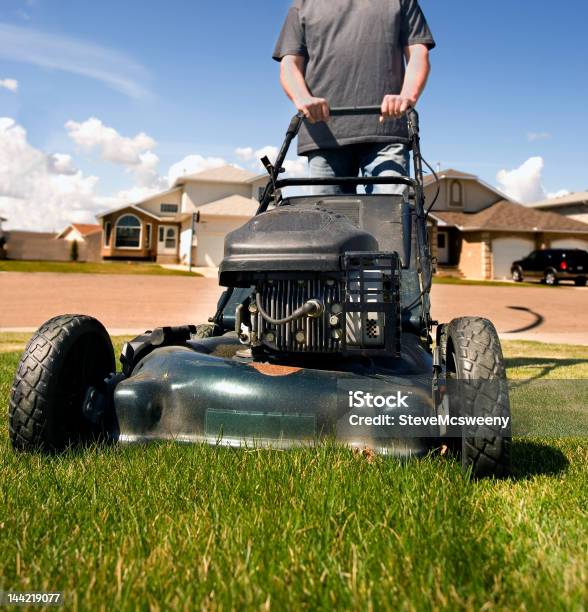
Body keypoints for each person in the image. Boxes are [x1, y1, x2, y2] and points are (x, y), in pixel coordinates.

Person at [273, 0, 435, 196]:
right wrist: (302, 98)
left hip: (386, 130)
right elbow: (290, 63)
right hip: (324, 133)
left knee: (391, 216)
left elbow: (418, 52)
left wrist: (407, 96)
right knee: (327, 221)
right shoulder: (302, 5)